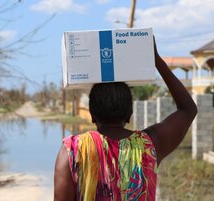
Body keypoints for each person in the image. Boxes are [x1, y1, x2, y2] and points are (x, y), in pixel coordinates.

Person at [54, 39, 197, 201]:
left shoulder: (72, 150)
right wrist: (156, 60)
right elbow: (188, 109)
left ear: (92, 115)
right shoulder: (150, 144)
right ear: (130, 114)